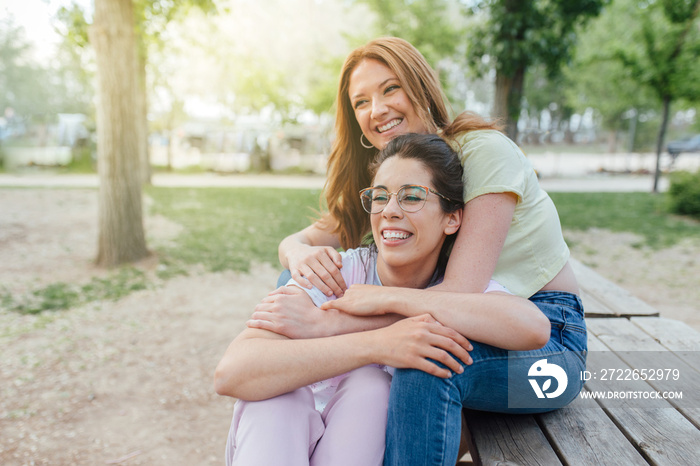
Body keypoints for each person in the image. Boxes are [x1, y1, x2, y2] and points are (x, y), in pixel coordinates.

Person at [266, 37, 587, 464]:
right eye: (361, 102)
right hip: (468, 322)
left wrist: (332, 322)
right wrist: (297, 254)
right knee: (296, 282)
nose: (376, 109)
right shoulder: (395, 179)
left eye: (390, 89)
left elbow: (459, 293)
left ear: (420, 87)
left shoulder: (481, 151)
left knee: (424, 361)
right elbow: (304, 240)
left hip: (545, 344)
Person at [215, 134, 550, 465]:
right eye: (380, 196)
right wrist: (377, 344)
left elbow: (532, 327)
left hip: (356, 442)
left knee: (371, 387)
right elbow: (232, 372)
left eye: (412, 197)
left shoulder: (451, 290)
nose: (390, 211)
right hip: (281, 442)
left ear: (452, 218)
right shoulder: (336, 274)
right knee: (276, 400)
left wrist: (389, 298)